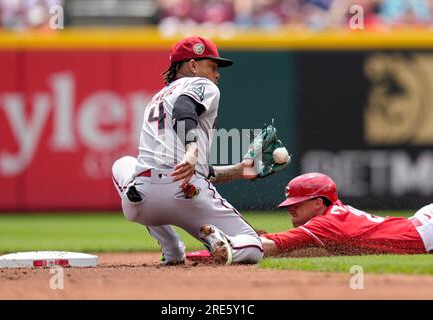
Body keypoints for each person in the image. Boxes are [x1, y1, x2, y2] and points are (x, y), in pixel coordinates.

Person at [112, 36, 275, 265]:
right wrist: (191, 149)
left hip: (141, 200)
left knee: (122, 164)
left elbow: (187, 165)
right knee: (254, 245)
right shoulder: (203, 85)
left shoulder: (158, 97)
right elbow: (184, 109)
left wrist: (239, 171)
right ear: (193, 65)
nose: (217, 74)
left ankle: (172, 250)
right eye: (213, 66)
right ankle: (227, 246)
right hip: (186, 195)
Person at [260, 172, 433, 256]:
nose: (291, 208)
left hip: (426, 232)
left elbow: (270, 245)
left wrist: (236, 244)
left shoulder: (327, 224)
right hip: (421, 224)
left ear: (318, 203)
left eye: (297, 202)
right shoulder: (334, 212)